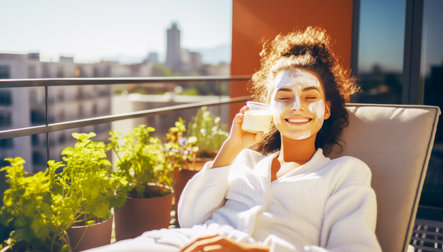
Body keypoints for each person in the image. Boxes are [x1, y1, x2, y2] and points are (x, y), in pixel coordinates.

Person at [86, 26, 382, 252]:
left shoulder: (345, 173)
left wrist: (252, 250)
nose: (296, 106)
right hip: (179, 243)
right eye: (283, 97)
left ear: (327, 108)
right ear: (270, 108)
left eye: (310, 96)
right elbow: (189, 217)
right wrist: (231, 148)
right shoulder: (246, 161)